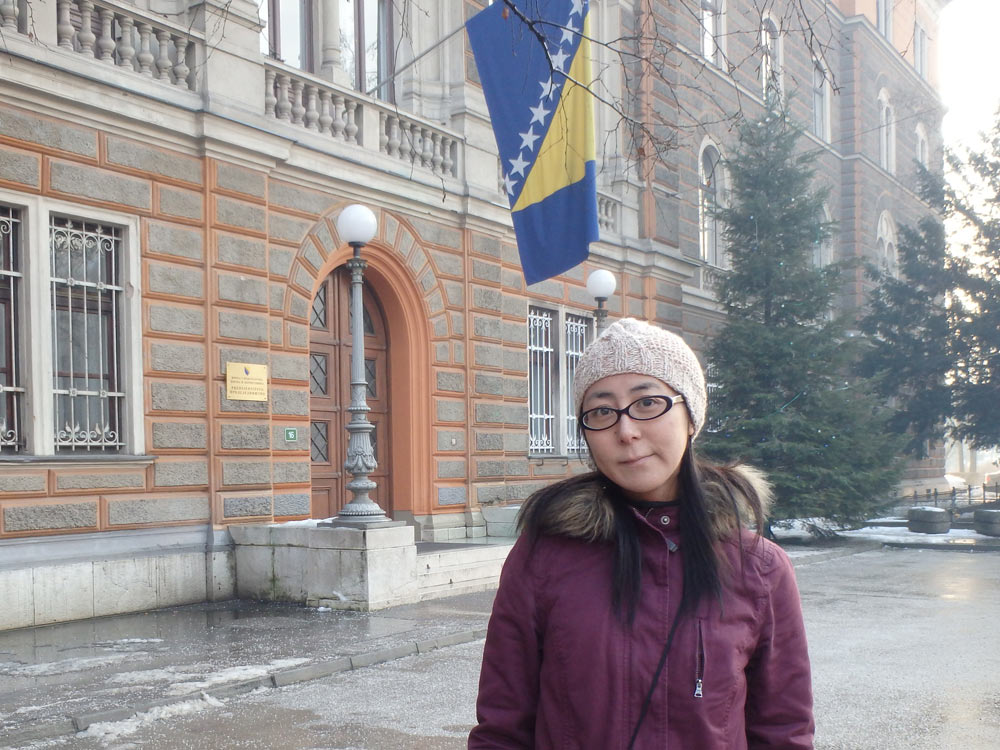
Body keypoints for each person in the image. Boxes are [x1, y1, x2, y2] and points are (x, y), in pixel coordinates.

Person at [468, 318, 814, 750]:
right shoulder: (544, 557)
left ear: (690, 417)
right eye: (601, 411)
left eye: (647, 403)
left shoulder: (759, 568)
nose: (625, 430)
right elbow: (502, 727)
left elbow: (784, 731)